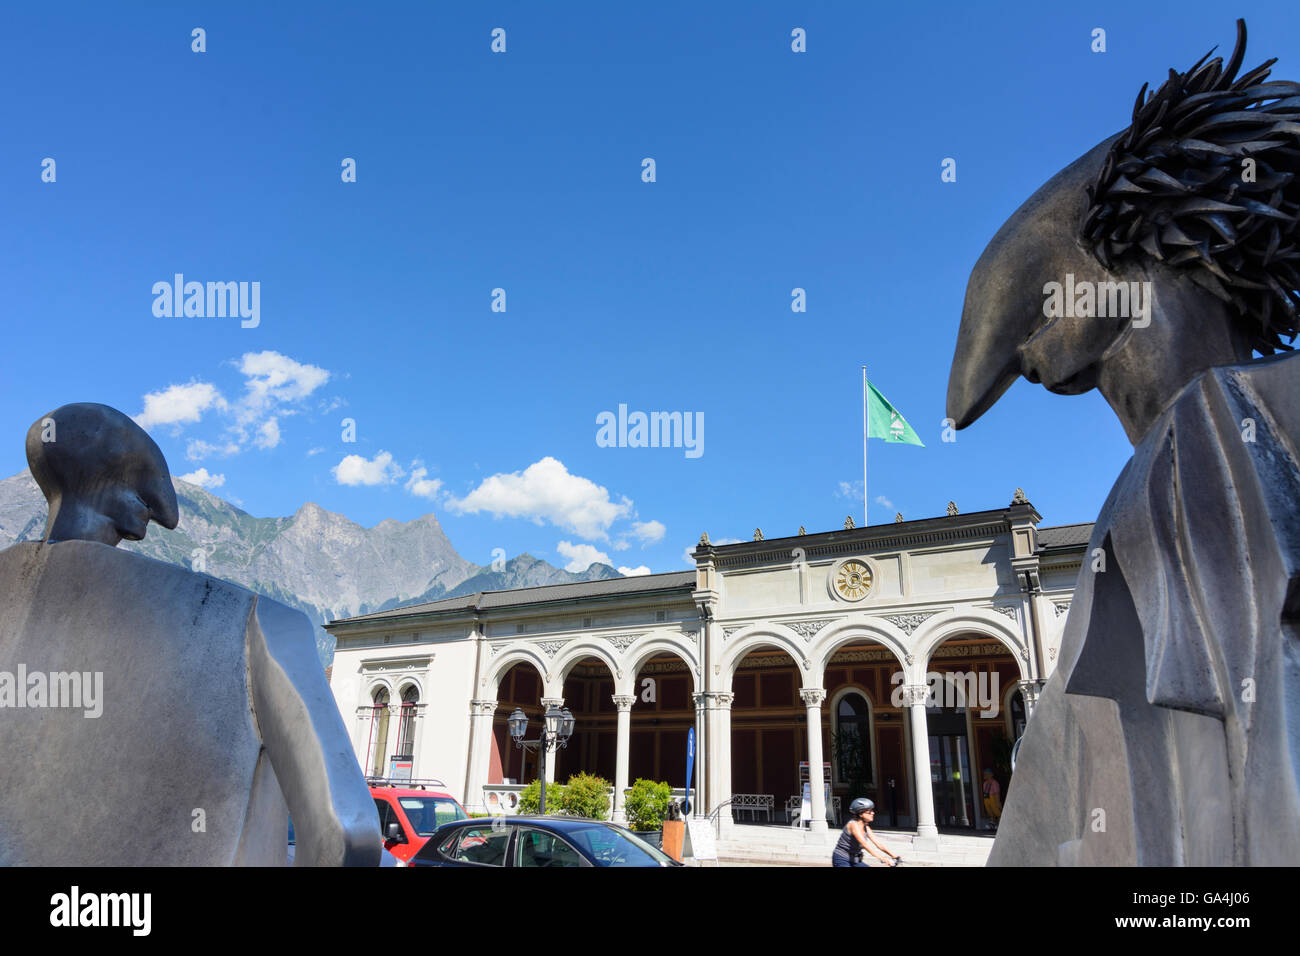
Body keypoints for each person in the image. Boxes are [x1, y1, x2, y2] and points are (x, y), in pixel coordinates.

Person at [832, 798, 900, 867]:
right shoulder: (853, 824)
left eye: (872, 811)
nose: (873, 813)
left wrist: (893, 856)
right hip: (841, 859)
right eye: (869, 812)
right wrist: (882, 858)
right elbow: (865, 844)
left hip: (855, 860)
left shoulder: (866, 827)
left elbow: (878, 844)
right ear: (860, 814)